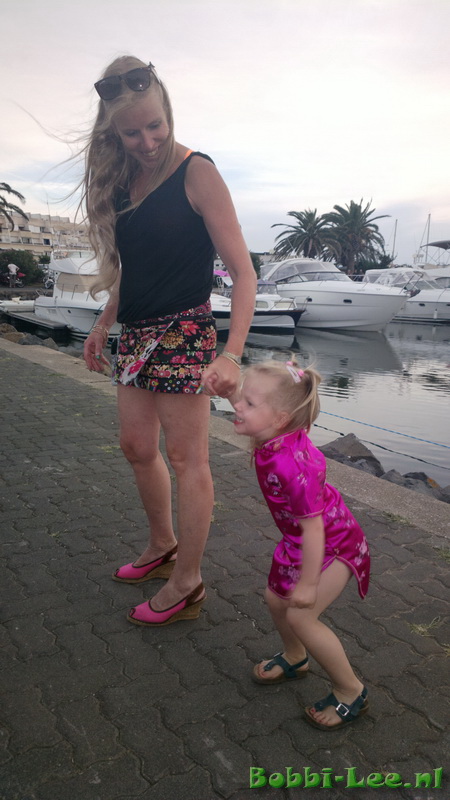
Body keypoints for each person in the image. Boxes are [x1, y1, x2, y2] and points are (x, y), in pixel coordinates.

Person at [82, 56, 257, 627]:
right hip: (134, 334)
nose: (148, 141)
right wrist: (104, 323)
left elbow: (244, 273)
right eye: (131, 133)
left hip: (185, 331)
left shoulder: (196, 172)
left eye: (155, 125)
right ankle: (162, 546)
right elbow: (132, 270)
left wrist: (231, 353)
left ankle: (189, 581)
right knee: (137, 446)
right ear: (114, 131)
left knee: (187, 459)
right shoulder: (123, 183)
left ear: (168, 111)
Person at [232, 359, 371, 730]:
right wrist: (230, 389)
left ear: (279, 419)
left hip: (335, 543)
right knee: (276, 598)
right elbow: (254, 409)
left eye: (247, 402)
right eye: (241, 398)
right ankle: (296, 657)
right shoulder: (274, 430)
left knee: (300, 615)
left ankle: (350, 690)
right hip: (299, 540)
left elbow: (314, 530)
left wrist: (308, 584)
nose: (237, 406)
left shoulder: (293, 466)